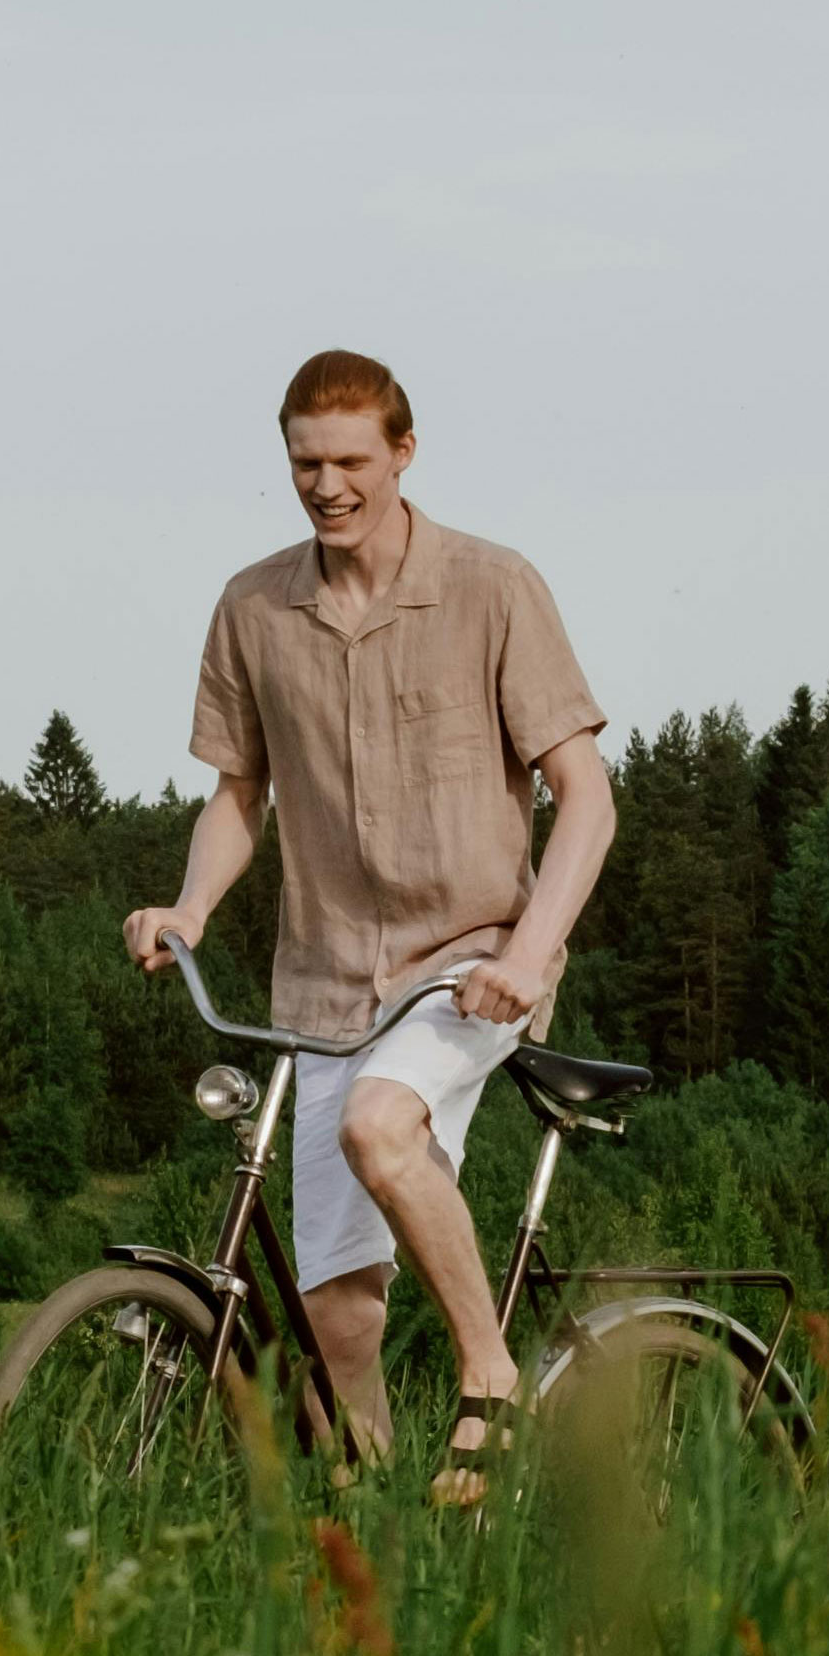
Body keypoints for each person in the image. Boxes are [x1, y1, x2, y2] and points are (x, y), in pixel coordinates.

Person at [122, 349, 615, 1488]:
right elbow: (239, 794)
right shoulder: (253, 607)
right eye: (306, 462)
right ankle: (381, 1527)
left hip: (473, 959)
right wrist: (191, 904)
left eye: (351, 459)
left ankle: (486, 1372)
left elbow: (586, 797)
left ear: (403, 450)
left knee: (380, 1128)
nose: (327, 484)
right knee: (339, 1315)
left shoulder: (493, 587)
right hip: (326, 980)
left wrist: (530, 956)